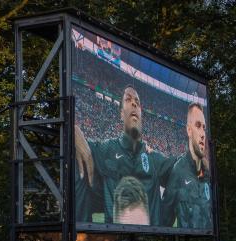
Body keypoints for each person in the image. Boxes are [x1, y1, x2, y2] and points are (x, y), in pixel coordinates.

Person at [75, 85, 176, 225]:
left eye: (137, 102)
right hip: (116, 238)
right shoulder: (106, 149)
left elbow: (182, 166)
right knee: (75, 157)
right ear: (121, 113)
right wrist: (73, 131)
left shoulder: (154, 158)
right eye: (128, 100)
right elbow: (73, 141)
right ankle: (79, 236)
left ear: (141, 113)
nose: (134, 103)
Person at [161, 103, 212, 230]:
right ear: (189, 130)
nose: (202, 134)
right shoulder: (178, 171)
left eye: (204, 128)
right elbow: (163, 222)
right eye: (198, 126)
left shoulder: (209, 175)